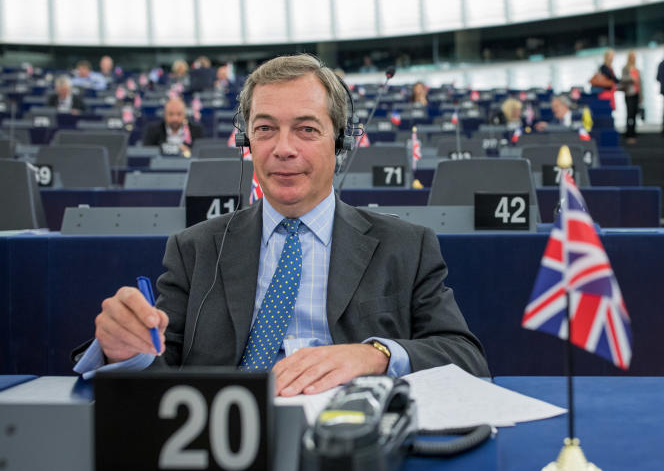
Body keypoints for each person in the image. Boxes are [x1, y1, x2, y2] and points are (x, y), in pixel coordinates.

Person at [74, 54, 488, 394]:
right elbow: (159, 365)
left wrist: (378, 354)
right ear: (247, 141)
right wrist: (124, 350)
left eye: (306, 129)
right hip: (228, 445)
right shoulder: (194, 248)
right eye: (266, 129)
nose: (283, 149)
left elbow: (466, 358)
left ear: (340, 141)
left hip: (352, 435)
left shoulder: (405, 246)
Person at [621, 50, 643, 142]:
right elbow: (623, 79)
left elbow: (640, 84)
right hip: (629, 94)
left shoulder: (637, 69)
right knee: (629, 114)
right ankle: (629, 134)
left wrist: (641, 96)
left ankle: (633, 133)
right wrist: (632, 78)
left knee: (634, 114)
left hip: (636, 93)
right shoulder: (625, 68)